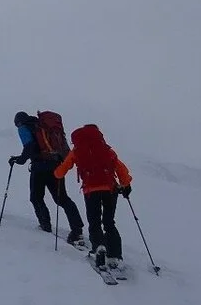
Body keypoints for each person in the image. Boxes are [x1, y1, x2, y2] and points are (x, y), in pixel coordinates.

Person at [54, 124, 134, 270]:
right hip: (110, 189)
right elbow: (120, 168)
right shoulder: (106, 149)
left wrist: (56, 173)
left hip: (91, 191)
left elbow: (61, 171)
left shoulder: (77, 151)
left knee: (94, 222)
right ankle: (115, 255)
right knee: (109, 222)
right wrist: (126, 184)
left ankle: (98, 248)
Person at [9, 111, 84, 243]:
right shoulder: (42, 126)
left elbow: (29, 146)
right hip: (55, 165)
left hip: (39, 167)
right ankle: (77, 229)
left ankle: (45, 225)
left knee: (36, 197)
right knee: (62, 198)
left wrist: (19, 160)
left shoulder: (24, 127)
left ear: (18, 122)